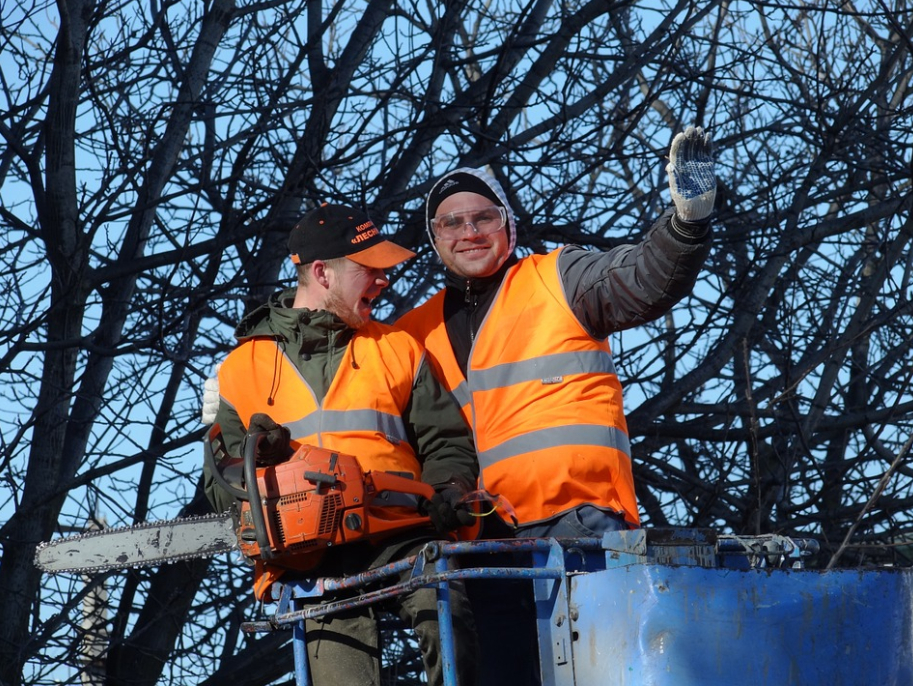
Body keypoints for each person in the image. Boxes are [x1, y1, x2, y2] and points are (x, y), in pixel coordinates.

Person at [392, 125, 716, 684]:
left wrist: (685, 224)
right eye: (451, 222)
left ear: (509, 226)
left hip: (579, 528)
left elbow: (642, 278)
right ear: (435, 239)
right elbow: (356, 410)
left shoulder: (559, 279)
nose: (469, 231)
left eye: (484, 217)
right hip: (480, 549)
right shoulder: (408, 337)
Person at [202, 203, 480, 686]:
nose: (382, 280)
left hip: (399, 528)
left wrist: (449, 489)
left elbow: (446, 441)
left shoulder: (395, 349)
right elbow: (221, 484)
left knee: (446, 602)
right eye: (367, 270)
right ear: (321, 274)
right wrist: (260, 470)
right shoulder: (240, 370)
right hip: (309, 553)